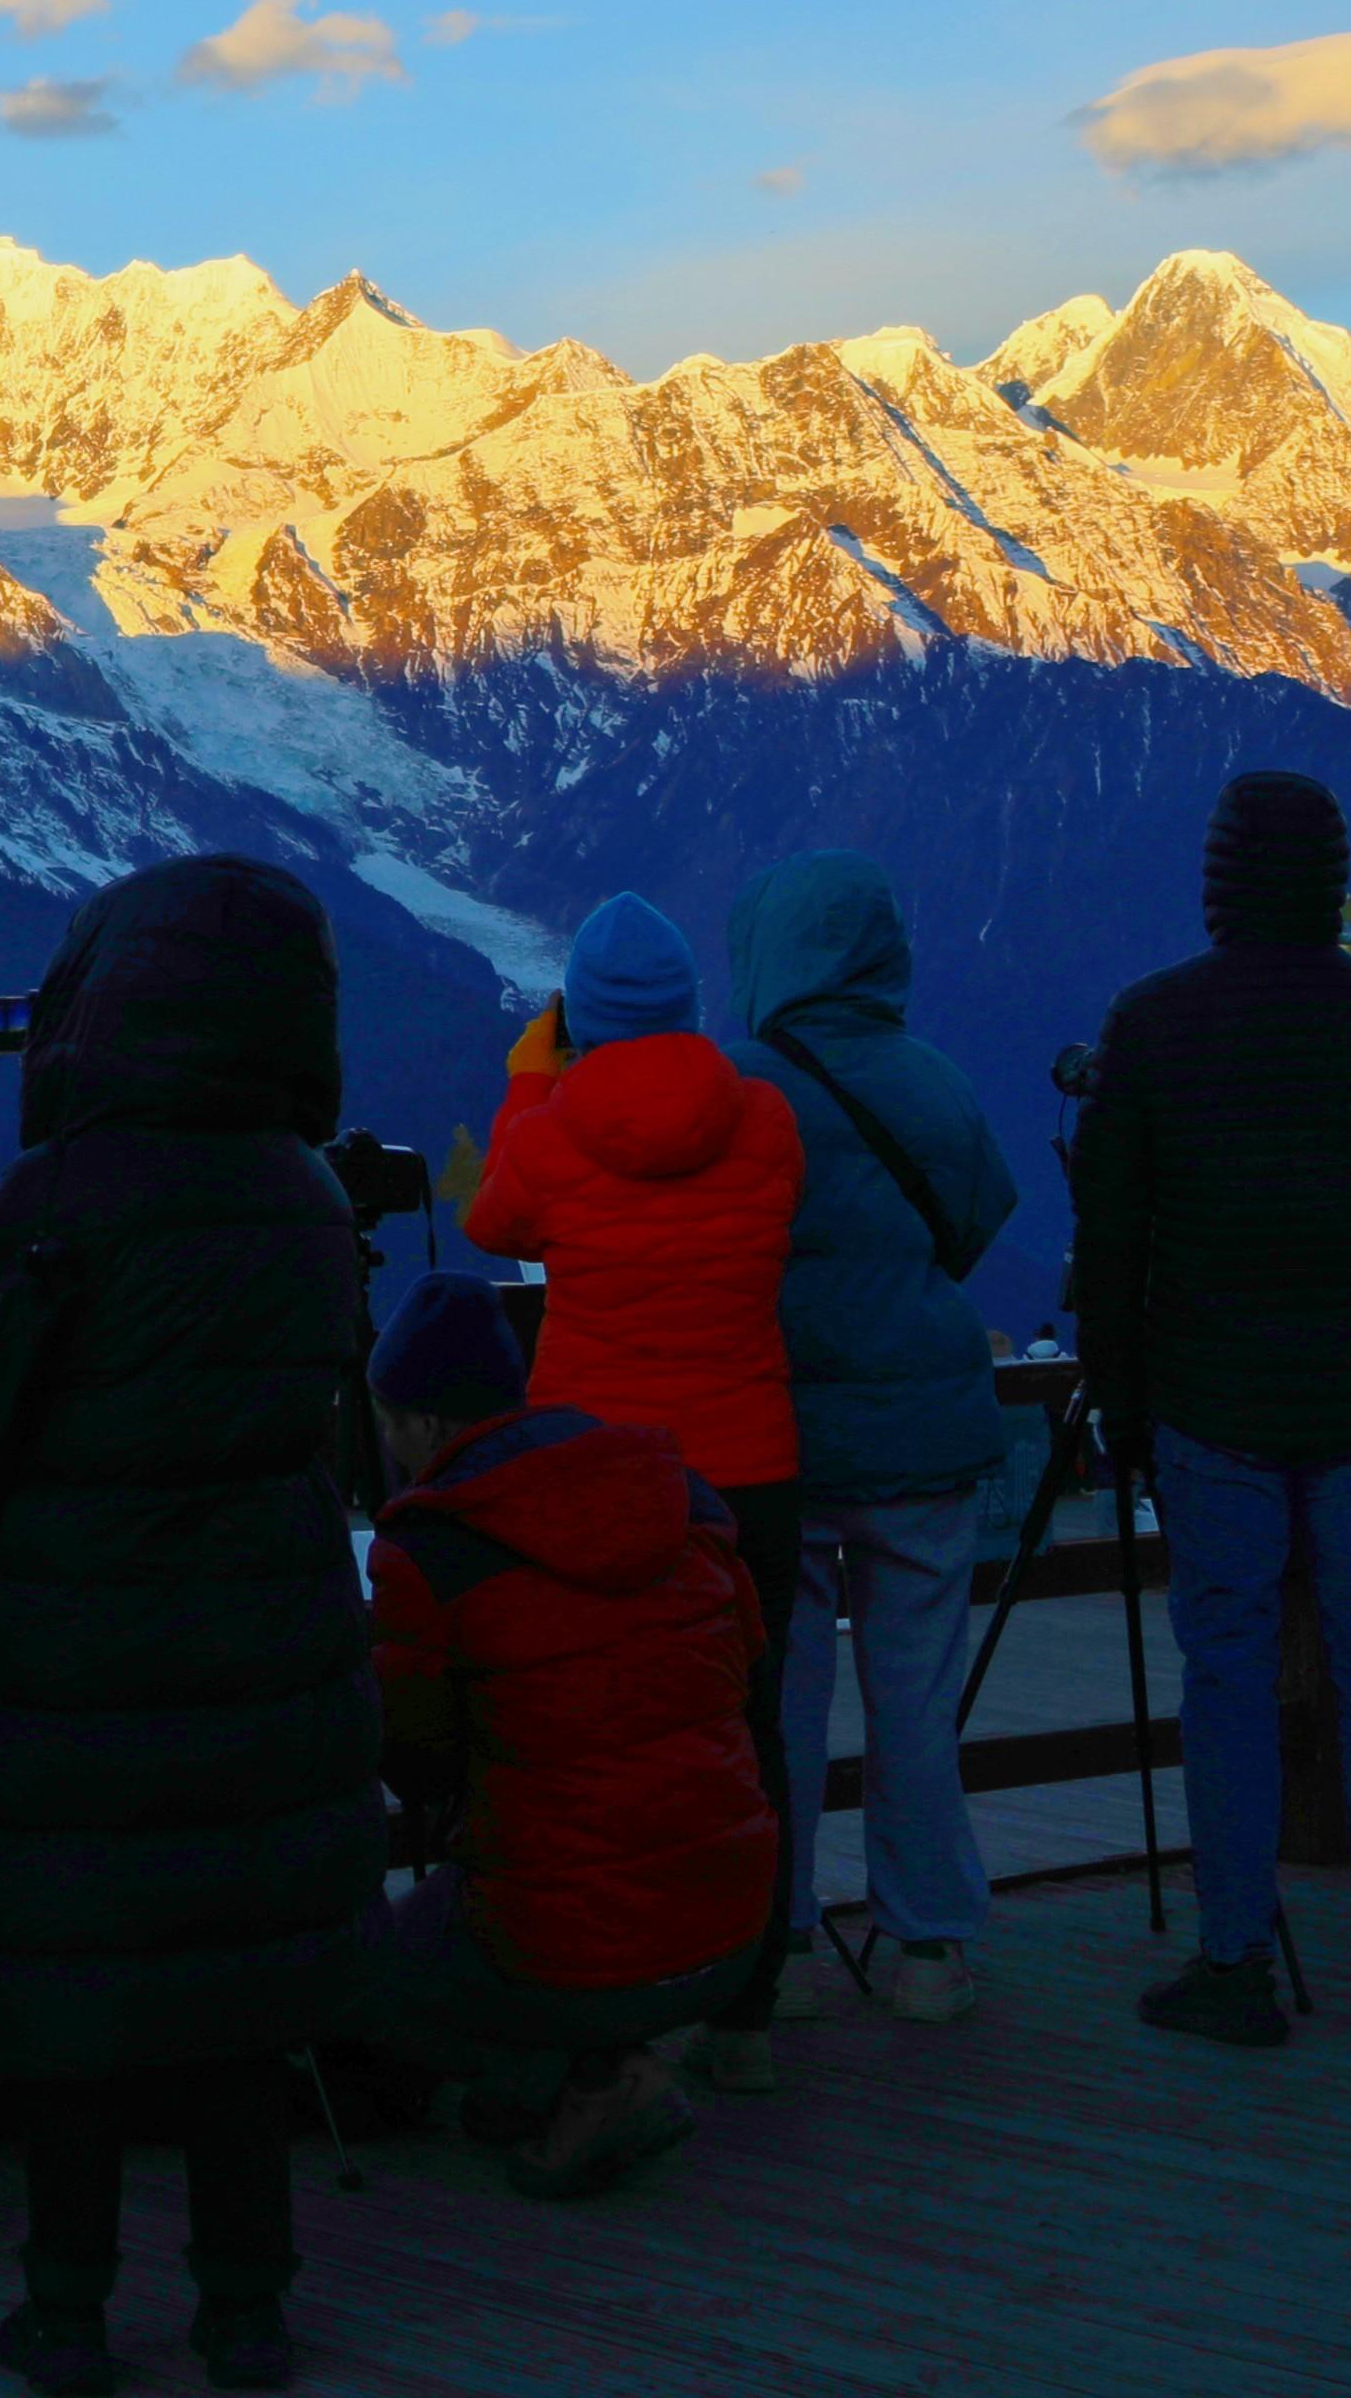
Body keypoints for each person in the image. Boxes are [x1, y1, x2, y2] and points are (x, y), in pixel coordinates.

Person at [0, 856, 375, 2398]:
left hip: (76, 1657)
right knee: (238, 2004)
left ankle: (66, 2309)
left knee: (80, 1998)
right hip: (263, 1645)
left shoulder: (64, 1199)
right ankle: (247, 2309)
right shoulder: (311, 1198)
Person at [1063, 769, 1351, 2052]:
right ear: (1335, 877)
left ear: (1218, 880)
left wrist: (1124, 1408)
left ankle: (1236, 1961)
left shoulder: (1152, 1023)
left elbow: (1110, 1243)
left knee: (1228, 1679)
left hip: (1210, 1404)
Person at [461, 889, 803, 2088]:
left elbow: (495, 1218)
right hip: (750, 1468)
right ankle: (747, 2009)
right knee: (747, 1732)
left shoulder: (552, 1131)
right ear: (692, 1005)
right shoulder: (766, 1118)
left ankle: (613, 2010)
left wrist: (531, 1087)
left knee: (598, 1737)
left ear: (583, 1018)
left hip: (597, 1473)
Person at [336, 1273, 773, 2201]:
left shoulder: (431, 1548)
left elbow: (416, 1760)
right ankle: (581, 2072)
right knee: (566, 1873)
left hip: (576, 1943)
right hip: (735, 1928)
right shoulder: (679, 1497)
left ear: (422, 1423)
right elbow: (747, 1661)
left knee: (365, 1972)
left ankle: (585, 2082)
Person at [726, 849, 1025, 2022]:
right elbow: (978, 1219)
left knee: (778, 1706)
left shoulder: (735, 1085)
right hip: (925, 1434)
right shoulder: (934, 1078)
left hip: (780, 1434)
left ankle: (782, 1942)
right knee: (917, 1701)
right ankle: (929, 1947)